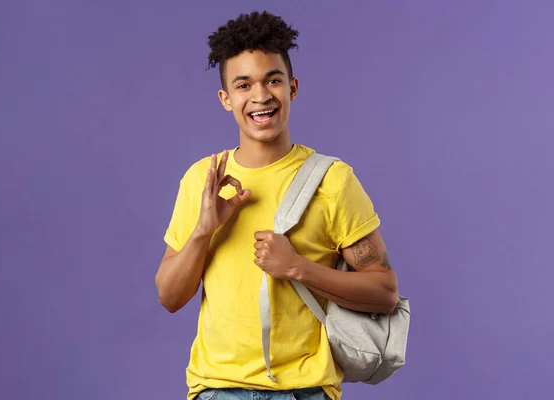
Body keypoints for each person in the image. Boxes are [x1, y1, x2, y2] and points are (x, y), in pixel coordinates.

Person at [155, 11, 399, 400]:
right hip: (218, 389)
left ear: (293, 87)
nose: (261, 96)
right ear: (226, 99)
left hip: (305, 391)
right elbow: (169, 297)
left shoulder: (332, 180)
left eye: (273, 80)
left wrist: (297, 267)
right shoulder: (204, 179)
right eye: (243, 84)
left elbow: (384, 291)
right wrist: (204, 230)